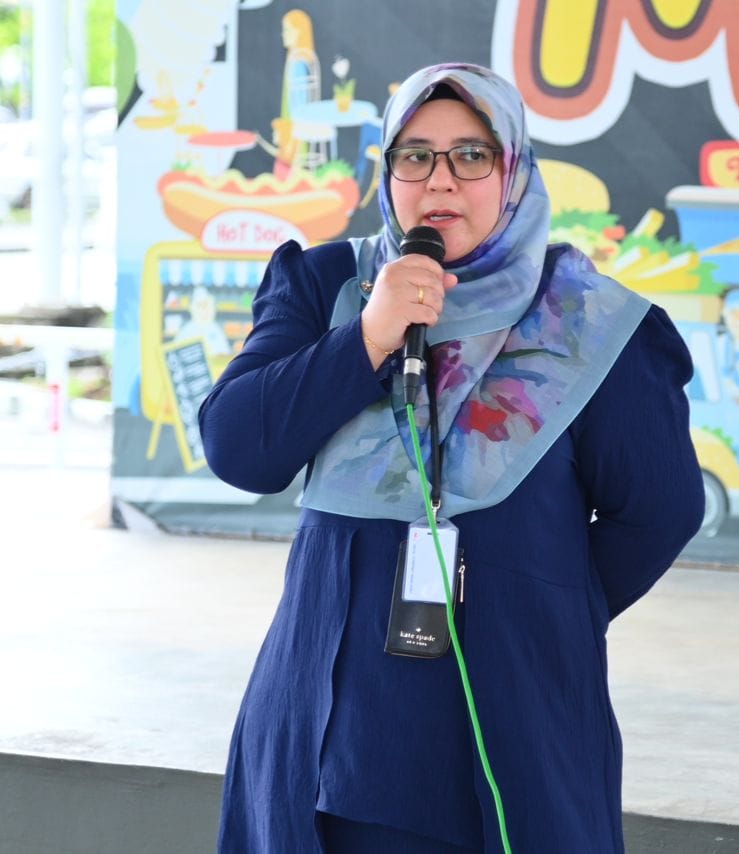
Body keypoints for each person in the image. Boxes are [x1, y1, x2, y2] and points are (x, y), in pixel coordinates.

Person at [200, 62, 704, 853]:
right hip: (322, 733)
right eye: (415, 155)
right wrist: (368, 337)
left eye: (471, 155)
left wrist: (538, 605)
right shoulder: (327, 286)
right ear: (388, 172)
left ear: (513, 171)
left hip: (510, 734)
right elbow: (239, 448)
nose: (440, 179)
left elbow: (660, 511)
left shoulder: (590, 325)